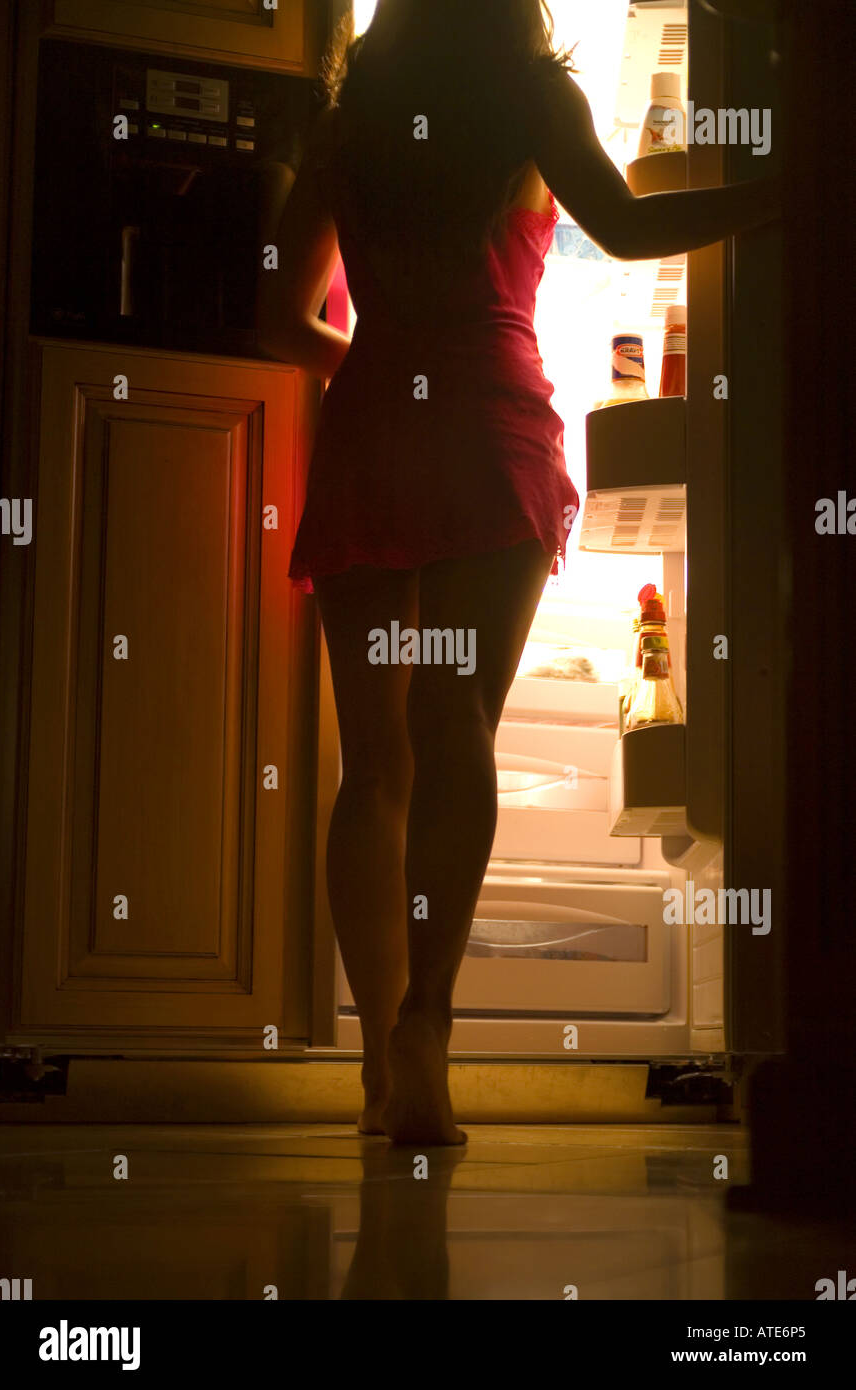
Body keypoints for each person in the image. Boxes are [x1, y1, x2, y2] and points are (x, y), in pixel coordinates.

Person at [256, 0, 780, 1145]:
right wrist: (780, 191)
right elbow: (631, 229)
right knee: (457, 735)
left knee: (369, 766)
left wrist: (379, 366)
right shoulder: (534, 95)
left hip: (372, 432)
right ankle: (427, 1028)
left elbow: (275, 314)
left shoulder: (351, 119)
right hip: (488, 431)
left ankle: (375, 1068)